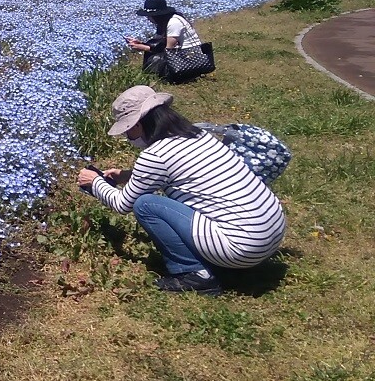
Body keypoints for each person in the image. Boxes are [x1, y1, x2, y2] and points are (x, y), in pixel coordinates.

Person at [77, 86, 285, 295]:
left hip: (242, 248)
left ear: (138, 124)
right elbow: (182, 173)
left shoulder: (155, 156)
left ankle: (195, 274)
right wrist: (126, 175)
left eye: (128, 130)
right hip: (272, 233)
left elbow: (123, 205)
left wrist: (95, 182)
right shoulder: (197, 134)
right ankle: (219, 262)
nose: (128, 137)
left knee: (145, 204)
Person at [126, 0, 208, 80]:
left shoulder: (173, 22)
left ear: (157, 16)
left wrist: (144, 48)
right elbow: (161, 44)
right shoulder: (167, 21)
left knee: (155, 57)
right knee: (152, 52)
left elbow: (168, 51)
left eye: (149, 16)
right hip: (185, 55)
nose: (148, 18)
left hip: (191, 59)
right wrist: (141, 44)